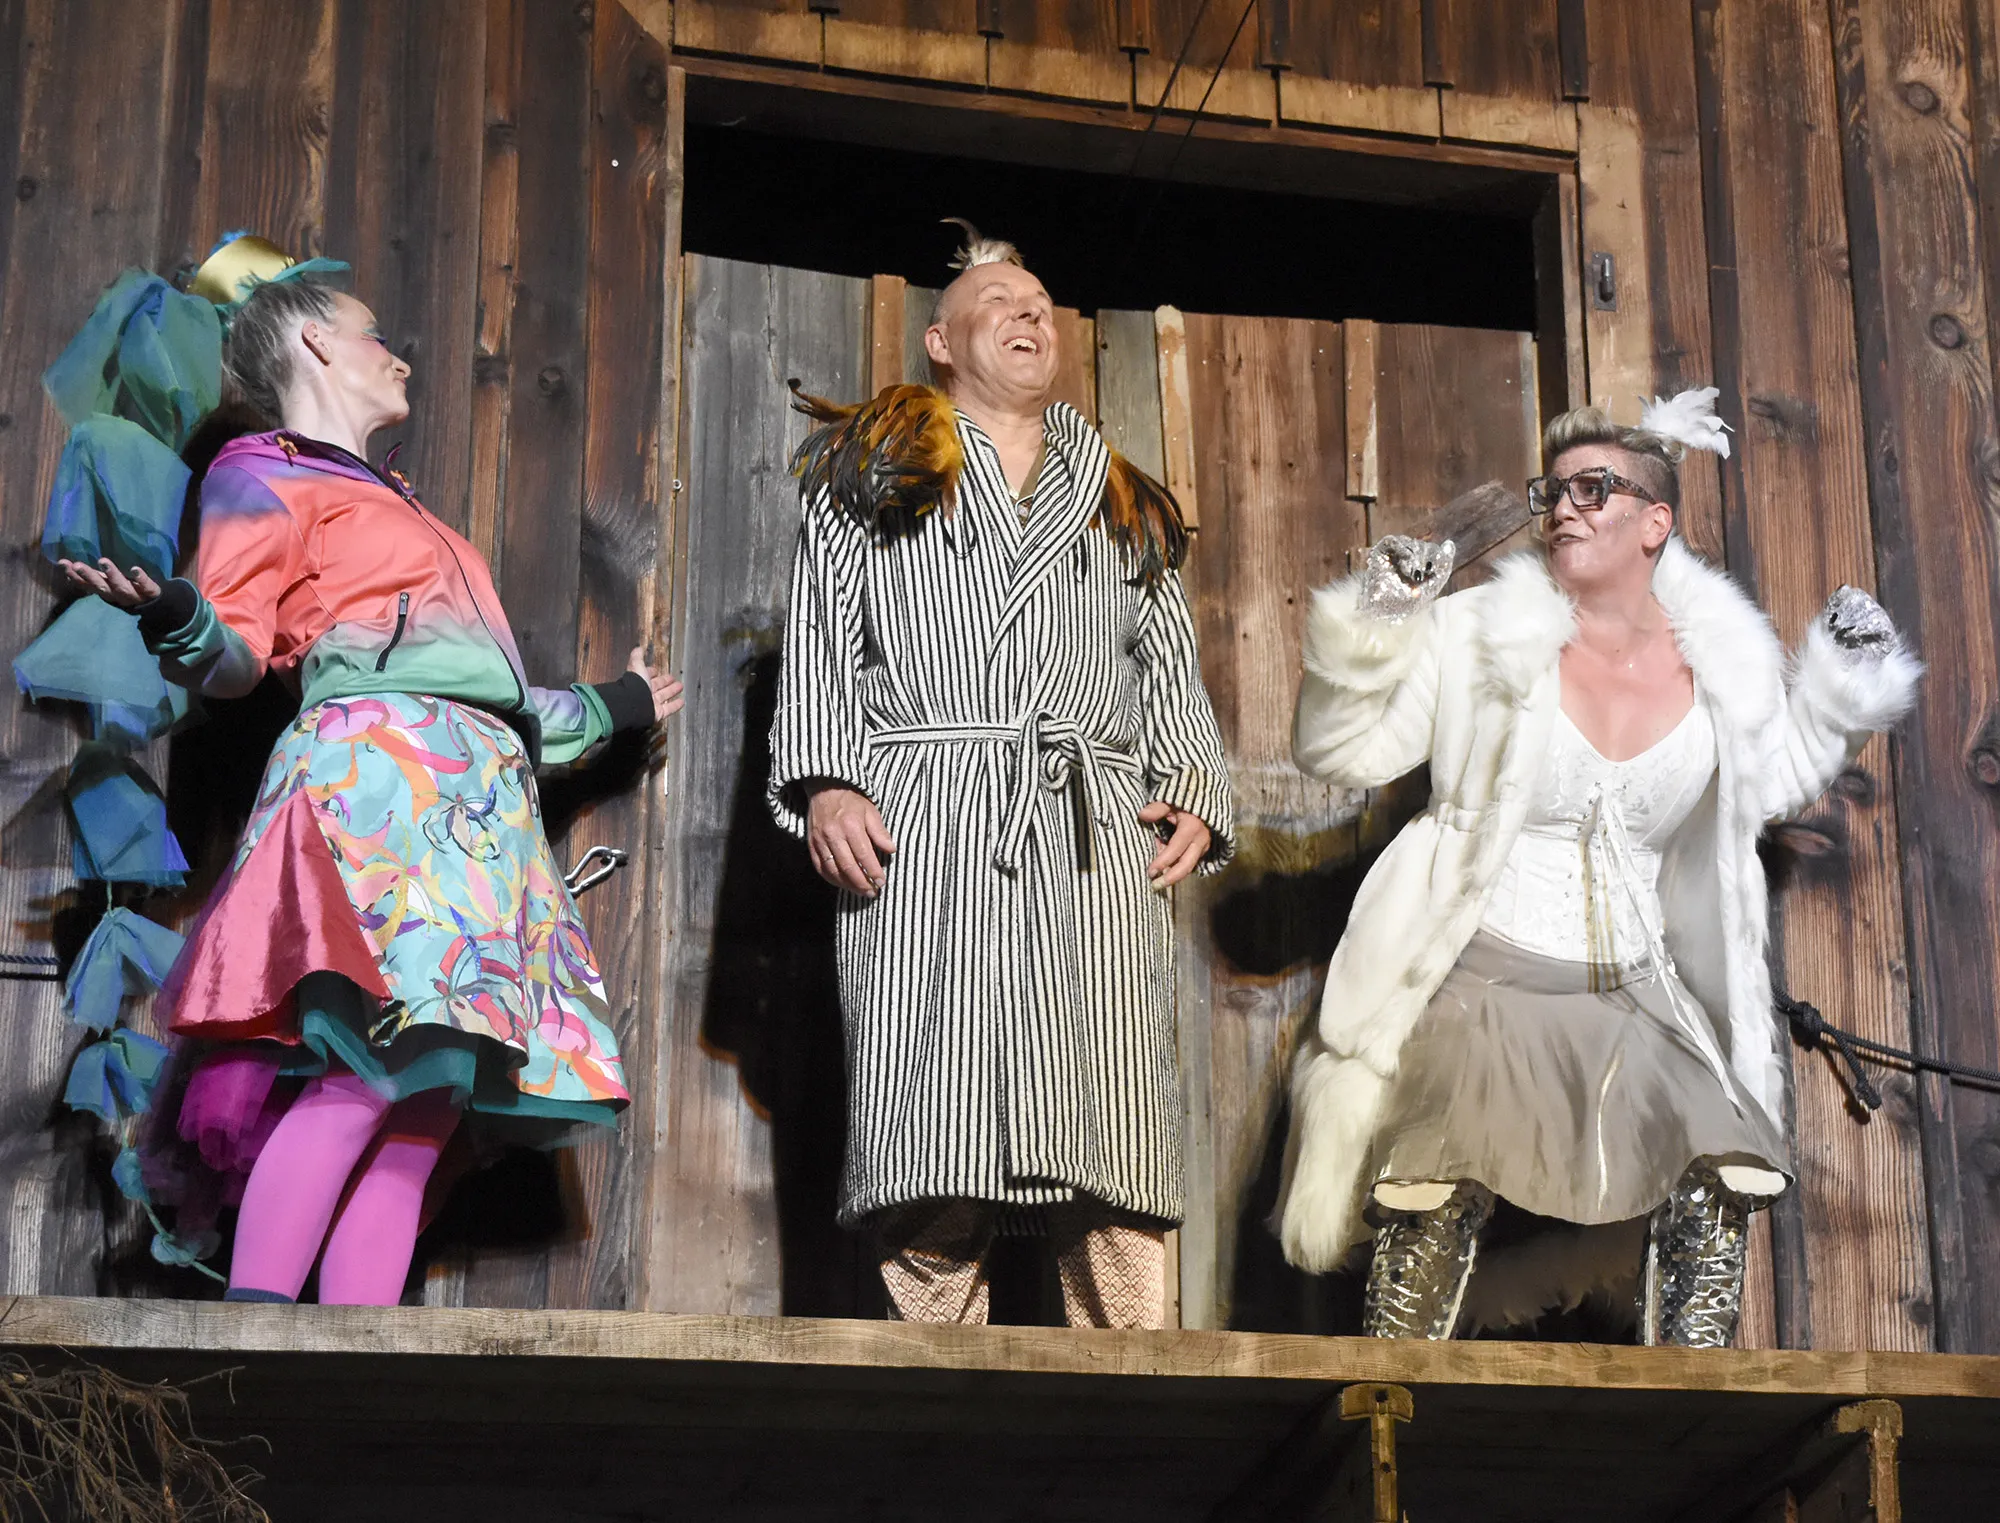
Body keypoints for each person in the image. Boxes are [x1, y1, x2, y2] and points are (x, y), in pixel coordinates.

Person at [60, 250, 682, 1306]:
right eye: (374, 334)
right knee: (365, 1072)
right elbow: (234, 655)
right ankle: (258, 1336)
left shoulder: (399, 503)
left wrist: (612, 705)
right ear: (315, 340)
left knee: (428, 1104)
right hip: (380, 796)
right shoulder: (262, 473)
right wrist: (176, 615)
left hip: (477, 809)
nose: (397, 356)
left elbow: (483, 691)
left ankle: (362, 1354)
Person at [1274, 390, 1921, 1346]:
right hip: (1482, 959)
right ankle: (1389, 1386)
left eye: (1594, 489)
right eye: (1555, 492)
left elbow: (1766, 782)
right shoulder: (1477, 633)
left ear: (1655, 522)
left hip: (1631, 977)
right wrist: (1380, 620)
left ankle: (1693, 1404)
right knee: (1434, 1164)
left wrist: (1837, 694)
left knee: (1726, 1155)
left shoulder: (1726, 665)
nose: (1563, 509)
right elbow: (1341, 750)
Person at [768, 221, 1234, 1328]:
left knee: (1115, 1123)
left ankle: (1136, 1386)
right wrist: (827, 781)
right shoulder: (873, 477)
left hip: (1089, 829)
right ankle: (938, 1396)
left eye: (1039, 301)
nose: (1028, 311)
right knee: (933, 1119)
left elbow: (1163, 656)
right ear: (940, 340)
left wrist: (1193, 784)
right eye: (997, 300)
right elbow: (823, 637)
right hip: (928, 823)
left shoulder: (1117, 495)